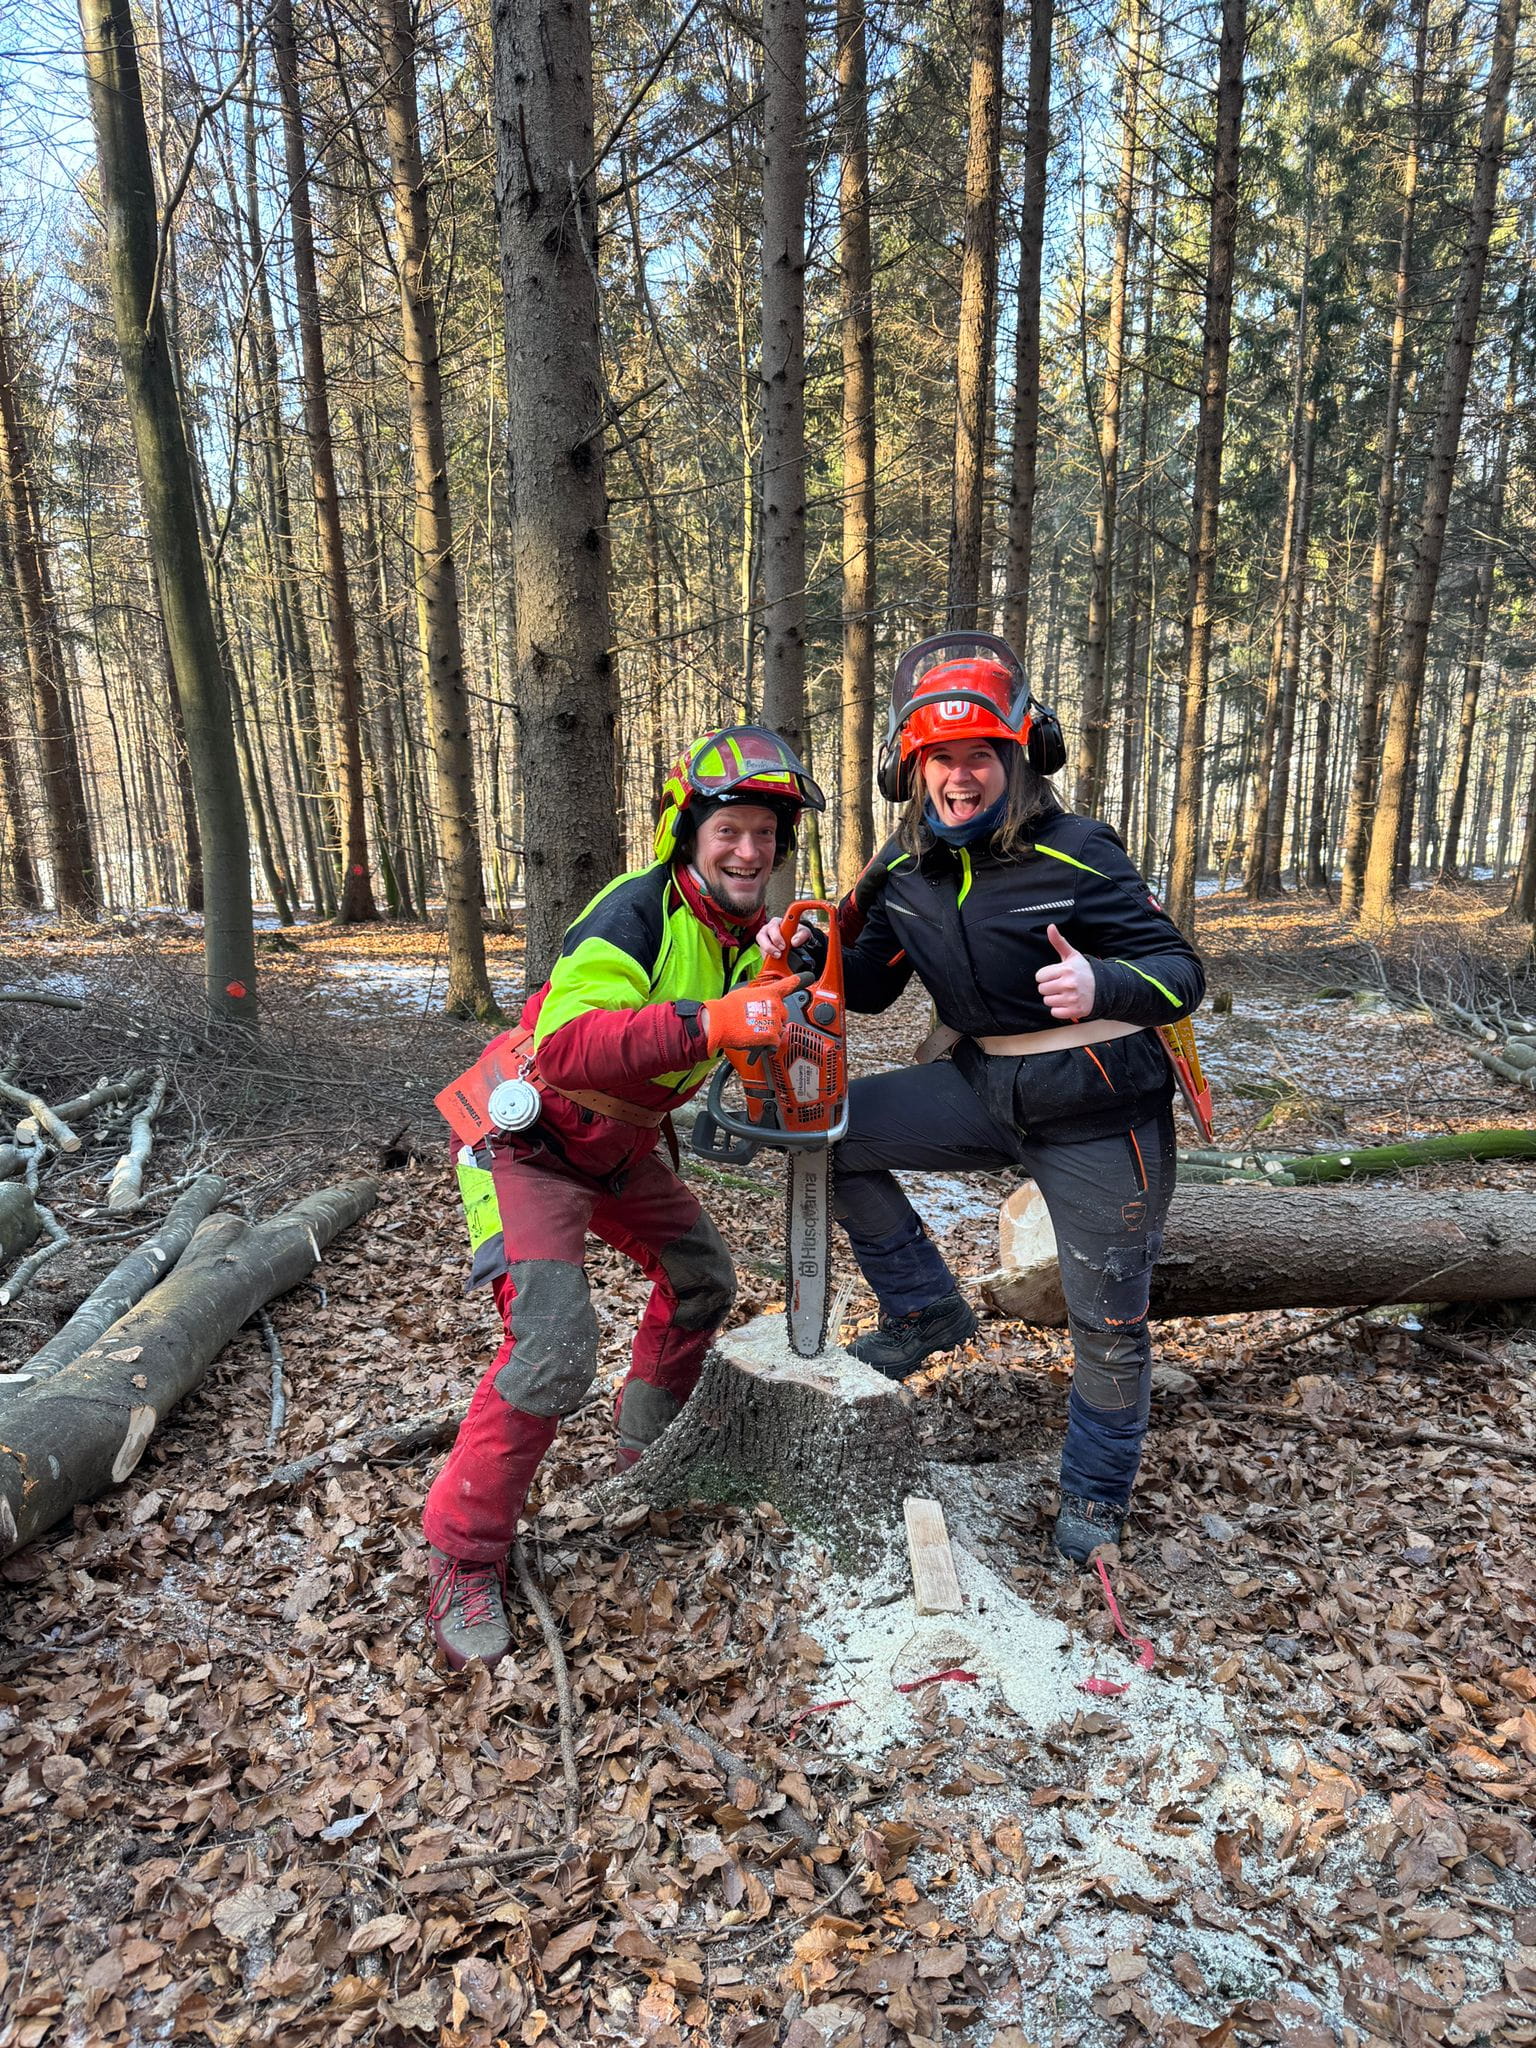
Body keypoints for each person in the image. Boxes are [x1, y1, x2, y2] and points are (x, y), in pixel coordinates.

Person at [763, 634, 1204, 1564]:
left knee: (1108, 1318)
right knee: (836, 1136)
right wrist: (810, 955)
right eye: (939, 761)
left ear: (1016, 757)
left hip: (1100, 1108)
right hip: (980, 1082)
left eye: (977, 758)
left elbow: (1181, 972)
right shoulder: (904, 866)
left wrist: (1106, 987)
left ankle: (1093, 1493)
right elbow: (871, 983)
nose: (958, 779)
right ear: (910, 769)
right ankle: (926, 1307)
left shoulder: (1079, 852)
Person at [423, 726, 820, 1669]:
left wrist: (767, 998)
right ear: (688, 833)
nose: (749, 851)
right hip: (524, 1139)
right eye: (730, 829)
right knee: (552, 1348)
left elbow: (741, 1045)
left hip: (619, 1146)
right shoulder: (635, 911)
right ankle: (462, 1555)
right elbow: (569, 1046)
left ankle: (644, 1454)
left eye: (765, 833)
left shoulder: (744, 936)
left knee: (700, 1280)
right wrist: (711, 1021)